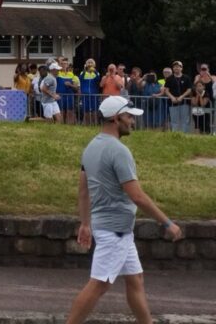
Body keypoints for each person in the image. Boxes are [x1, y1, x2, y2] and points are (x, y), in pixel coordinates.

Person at [65, 96, 183, 324]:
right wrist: (167, 223)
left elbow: (83, 191)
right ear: (115, 118)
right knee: (99, 284)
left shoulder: (91, 147)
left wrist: (86, 223)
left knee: (135, 279)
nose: (133, 122)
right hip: (115, 230)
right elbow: (137, 195)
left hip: (111, 228)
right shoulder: (119, 151)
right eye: (129, 117)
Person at [163, 60, 193, 134]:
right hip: (172, 103)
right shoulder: (169, 78)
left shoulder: (186, 78)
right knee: (174, 121)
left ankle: (185, 136)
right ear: (173, 68)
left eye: (178, 67)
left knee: (185, 120)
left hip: (184, 102)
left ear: (181, 68)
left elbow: (189, 90)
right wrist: (172, 97)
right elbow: (166, 90)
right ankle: (174, 135)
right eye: (175, 67)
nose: (176, 68)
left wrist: (182, 97)